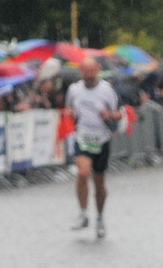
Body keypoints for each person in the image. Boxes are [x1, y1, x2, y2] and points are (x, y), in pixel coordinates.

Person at [64, 56, 119, 237]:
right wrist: (70, 113)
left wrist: (109, 114)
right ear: (81, 72)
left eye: (91, 71)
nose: (88, 76)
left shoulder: (107, 90)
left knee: (99, 182)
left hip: (101, 138)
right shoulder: (74, 90)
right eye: (85, 72)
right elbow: (69, 109)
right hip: (83, 136)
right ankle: (83, 213)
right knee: (82, 173)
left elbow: (118, 114)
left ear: (97, 69)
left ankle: (100, 217)